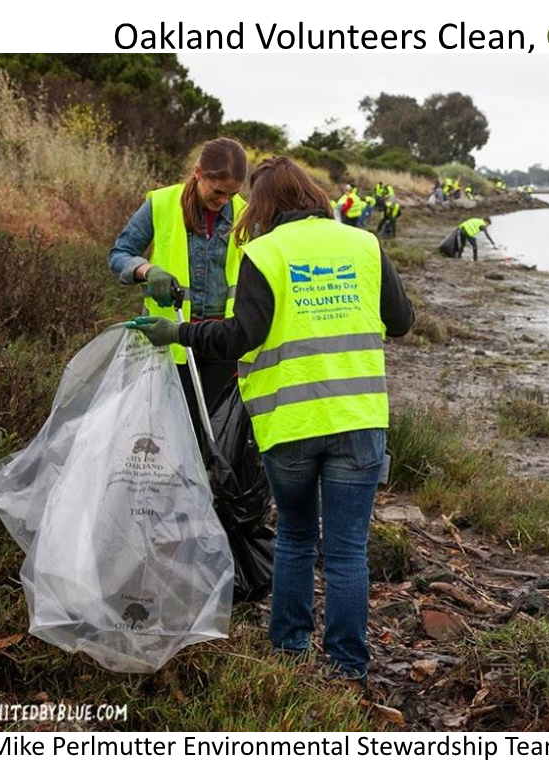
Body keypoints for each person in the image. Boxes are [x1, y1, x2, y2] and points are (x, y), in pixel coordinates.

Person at [126, 156, 415, 683]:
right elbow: (401, 322)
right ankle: (348, 666)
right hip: (358, 419)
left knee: (296, 538)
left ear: (261, 204)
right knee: (348, 551)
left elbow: (240, 337)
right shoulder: (364, 244)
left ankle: (289, 649)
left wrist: (177, 333)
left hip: (289, 425)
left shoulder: (264, 252)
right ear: (313, 194)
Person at [107, 136, 249, 440]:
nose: (224, 201)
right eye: (218, 191)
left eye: (232, 193)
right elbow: (119, 254)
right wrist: (147, 270)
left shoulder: (246, 215)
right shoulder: (160, 204)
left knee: (199, 429)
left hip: (220, 341)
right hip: (168, 339)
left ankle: (193, 485)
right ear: (198, 172)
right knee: (161, 426)